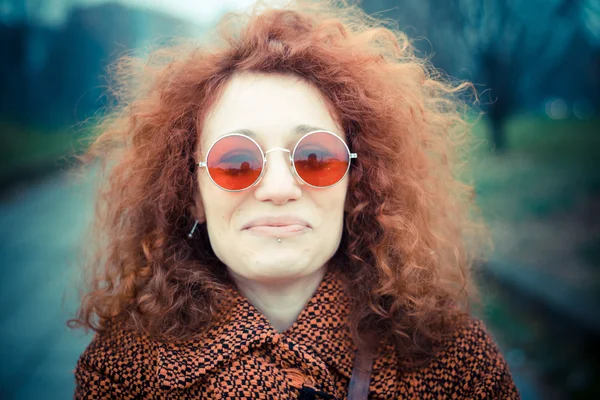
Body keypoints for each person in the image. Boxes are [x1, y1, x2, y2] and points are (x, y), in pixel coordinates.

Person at [69, 1, 521, 399]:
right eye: (237, 161)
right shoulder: (121, 375)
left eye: (315, 156)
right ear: (193, 196)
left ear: (355, 183)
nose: (279, 188)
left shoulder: (457, 361)